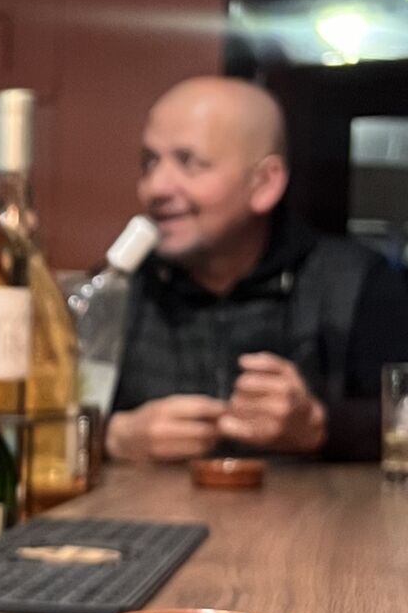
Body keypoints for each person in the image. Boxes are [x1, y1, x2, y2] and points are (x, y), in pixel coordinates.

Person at [108, 76, 408, 462]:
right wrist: (113, 438)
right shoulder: (117, 293)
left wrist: (320, 426)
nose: (155, 187)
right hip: (148, 505)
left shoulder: (357, 283)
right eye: (149, 162)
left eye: (188, 162)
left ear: (264, 183)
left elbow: (400, 415)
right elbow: (48, 418)